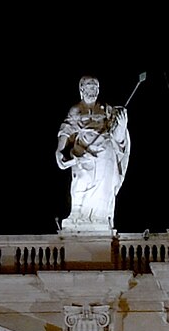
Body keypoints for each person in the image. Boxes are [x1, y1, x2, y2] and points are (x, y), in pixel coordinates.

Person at [53, 76, 131, 233]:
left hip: (105, 153)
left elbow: (117, 138)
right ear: (81, 89)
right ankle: (78, 214)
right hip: (84, 152)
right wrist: (59, 149)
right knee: (81, 182)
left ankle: (100, 217)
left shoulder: (107, 110)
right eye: (89, 86)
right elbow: (66, 130)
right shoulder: (76, 110)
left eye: (96, 87)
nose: (93, 90)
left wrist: (121, 126)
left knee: (104, 187)